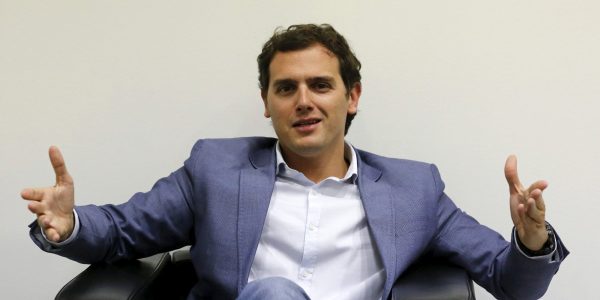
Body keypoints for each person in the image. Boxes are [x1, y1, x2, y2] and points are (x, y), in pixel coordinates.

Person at [23, 24, 568, 300]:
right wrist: (70, 224)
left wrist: (532, 240)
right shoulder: (216, 170)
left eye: (320, 85)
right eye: (286, 88)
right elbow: (121, 232)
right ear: (266, 103)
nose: (303, 100)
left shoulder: (413, 189)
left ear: (352, 97)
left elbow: (511, 281)